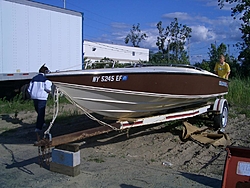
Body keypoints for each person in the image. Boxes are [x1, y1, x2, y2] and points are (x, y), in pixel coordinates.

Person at [28, 65, 52, 134]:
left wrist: (32, 94)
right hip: (42, 97)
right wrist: (49, 92)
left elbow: (29, 89)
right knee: (41, 112)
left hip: (34, 96)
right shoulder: (46, 79)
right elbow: (47, 88)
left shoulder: (34, 78)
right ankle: (38, 127)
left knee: (38, 110)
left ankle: (42, 122)